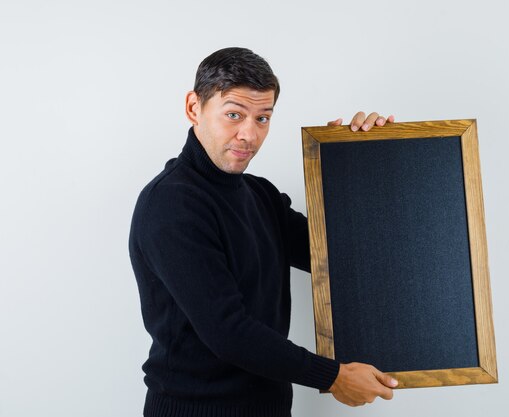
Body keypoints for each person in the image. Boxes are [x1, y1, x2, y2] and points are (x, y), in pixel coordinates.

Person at [129, 47, 397, 417]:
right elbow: (229, 332)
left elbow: (343, 258)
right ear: (194, 108)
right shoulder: (171, 205)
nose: (249, 135)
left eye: (263, 118)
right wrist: (333, 377)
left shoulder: (261, 196)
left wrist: (354, 160)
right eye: (234, 115)